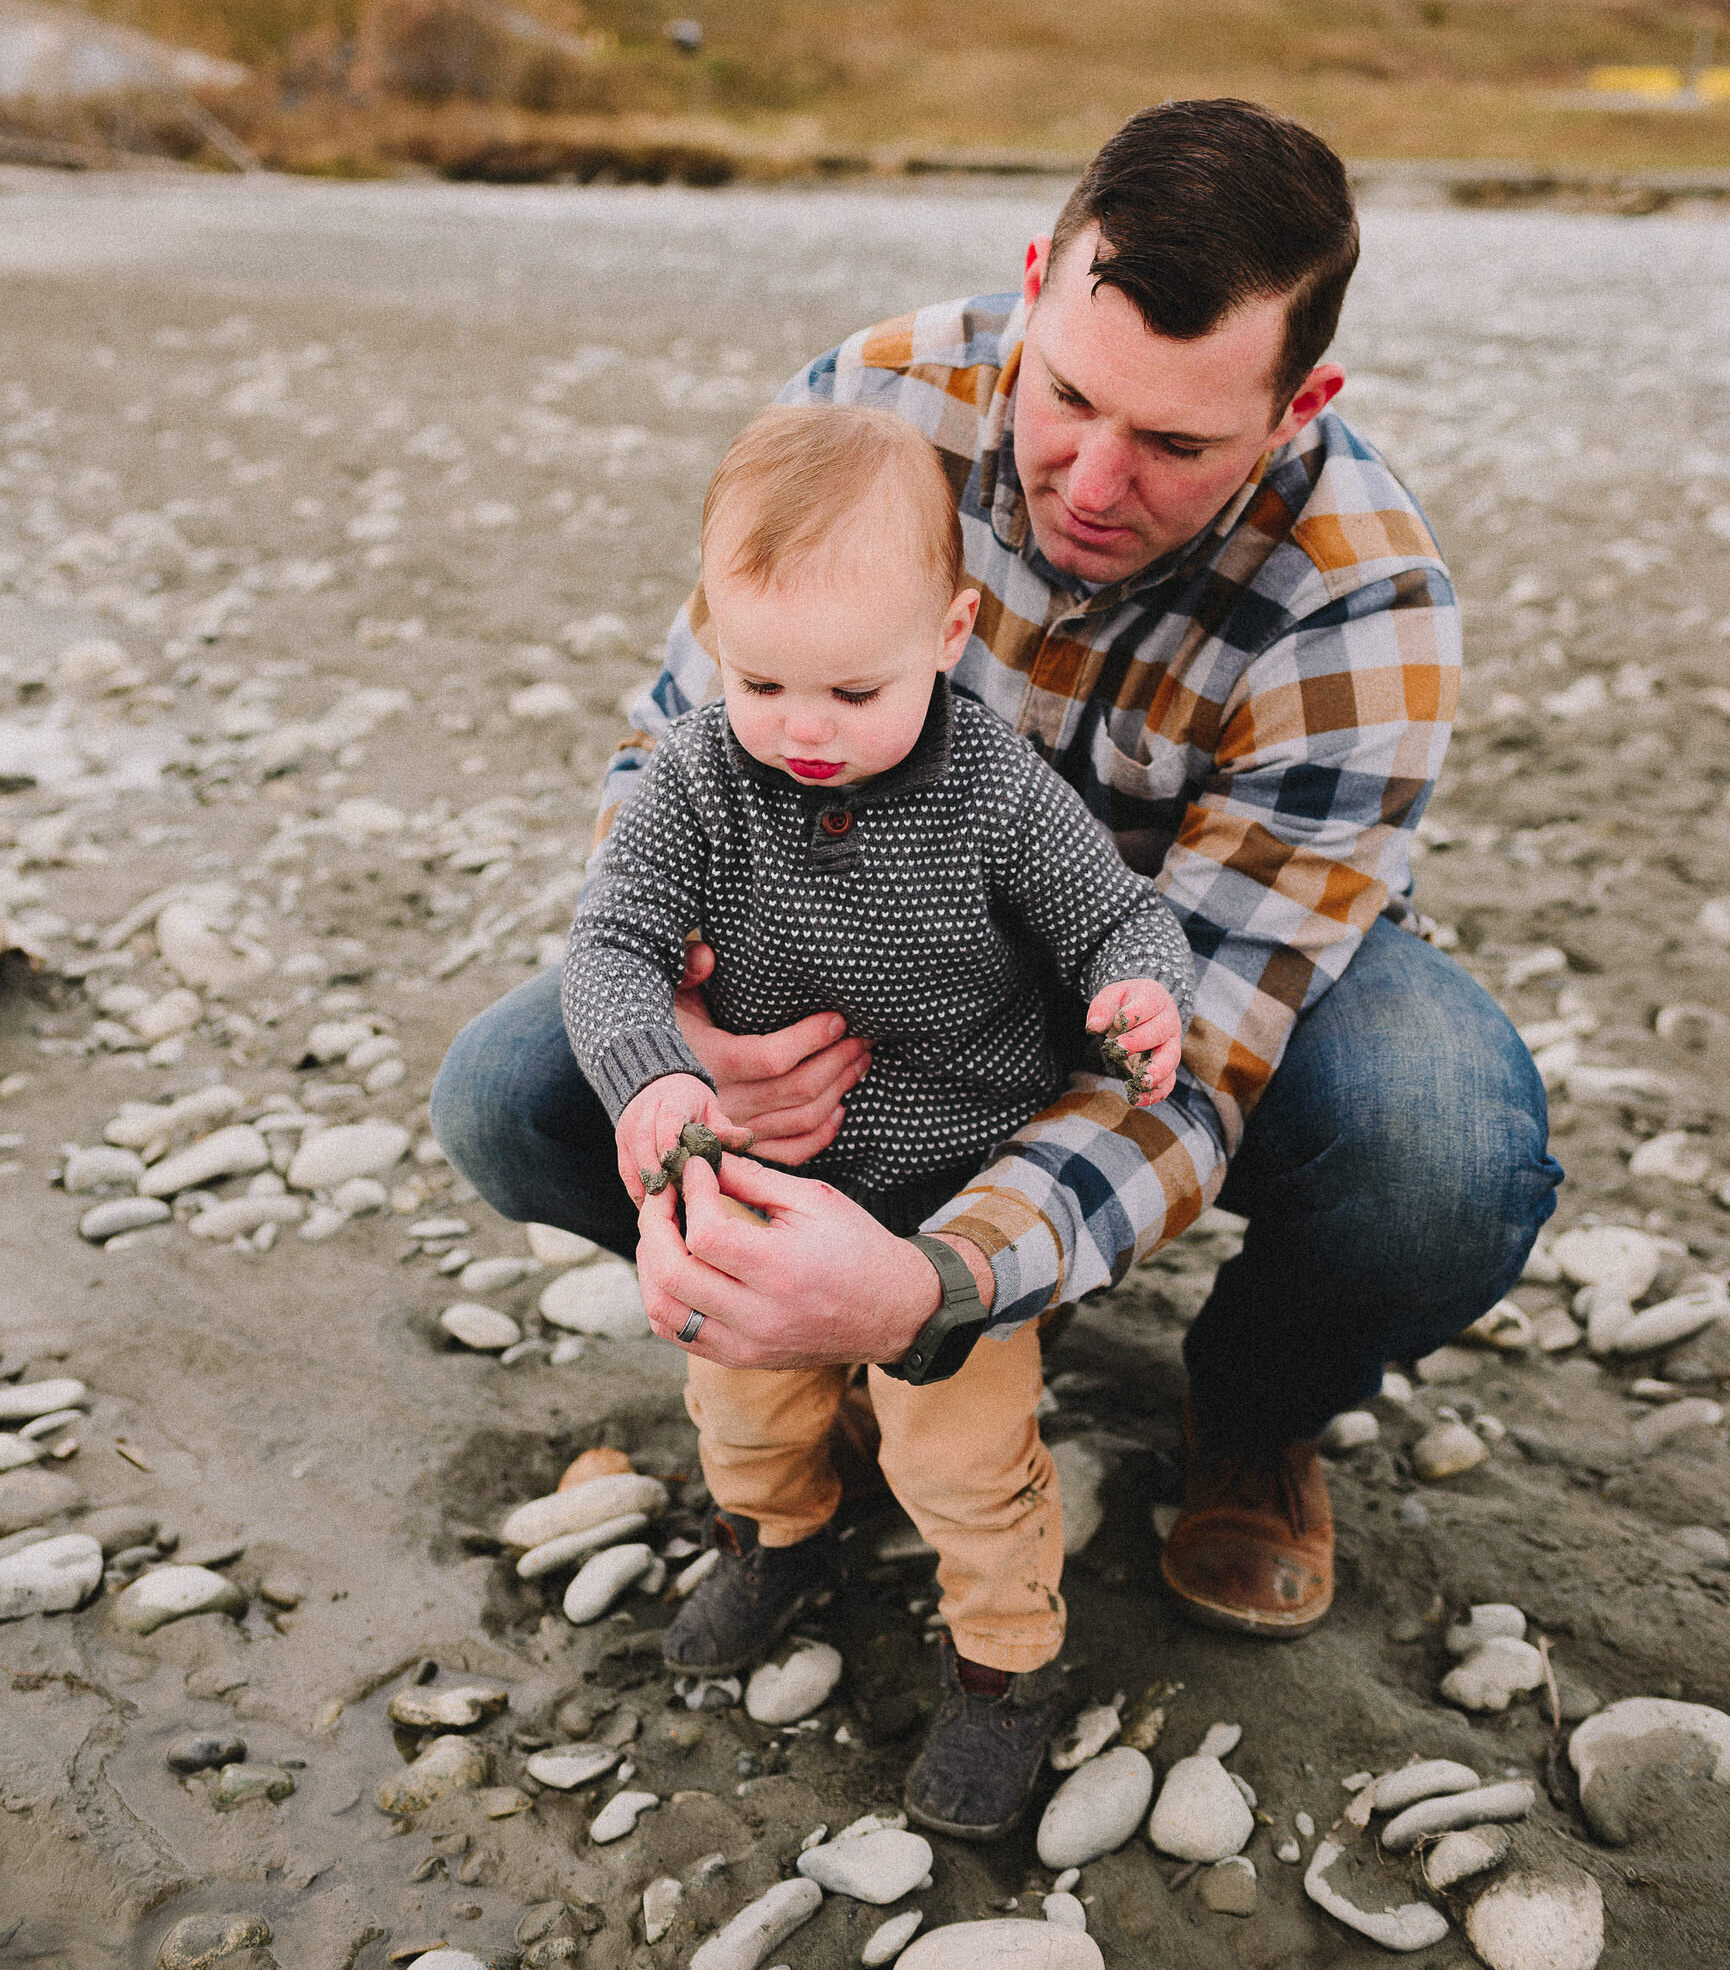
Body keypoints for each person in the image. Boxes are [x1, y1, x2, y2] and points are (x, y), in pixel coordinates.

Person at [432, 97, 1557, 1810]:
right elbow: (665, 762)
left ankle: (1245, 1404)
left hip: (1168, 956)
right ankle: (800, 1339)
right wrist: (675, 1032)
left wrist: (943, 1281)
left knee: (1444, 1155)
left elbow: (1206, 1064)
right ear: (1036, 286)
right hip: (852, 939)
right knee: (513, 1093)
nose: (1090, 483)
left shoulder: (1364, 603)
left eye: (1175, 444)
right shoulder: (865, 404)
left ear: (1295, 403)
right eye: (1066, 394)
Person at [561, 400, 1196, 1836]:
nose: (802, 728)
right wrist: (656, 1070)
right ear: (712, 628)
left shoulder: (992, 788)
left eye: (852, 693)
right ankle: (776, 1537)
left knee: (963, 1462)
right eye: (761, 678)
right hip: (760, 1188)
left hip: (947, 1191)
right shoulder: (694, 778)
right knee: (739, 1398)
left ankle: (1001, 1668)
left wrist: (1139, 993)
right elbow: (609, 947)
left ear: (949, 631)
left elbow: (1112, 918)